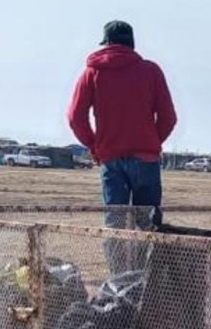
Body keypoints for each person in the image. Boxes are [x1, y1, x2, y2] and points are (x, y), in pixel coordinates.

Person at [67, 20, 177, 232]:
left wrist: (94, 145)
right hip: (145, 160)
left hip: (110, 158)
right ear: (132, 43)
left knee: (115, 223)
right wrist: (151, 142)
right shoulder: (150, 71)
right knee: (148, 223)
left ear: (106, 44)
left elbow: (75, 117)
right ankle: (148, 266)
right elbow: (168, 117)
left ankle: (118, 267)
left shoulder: (92, 73)